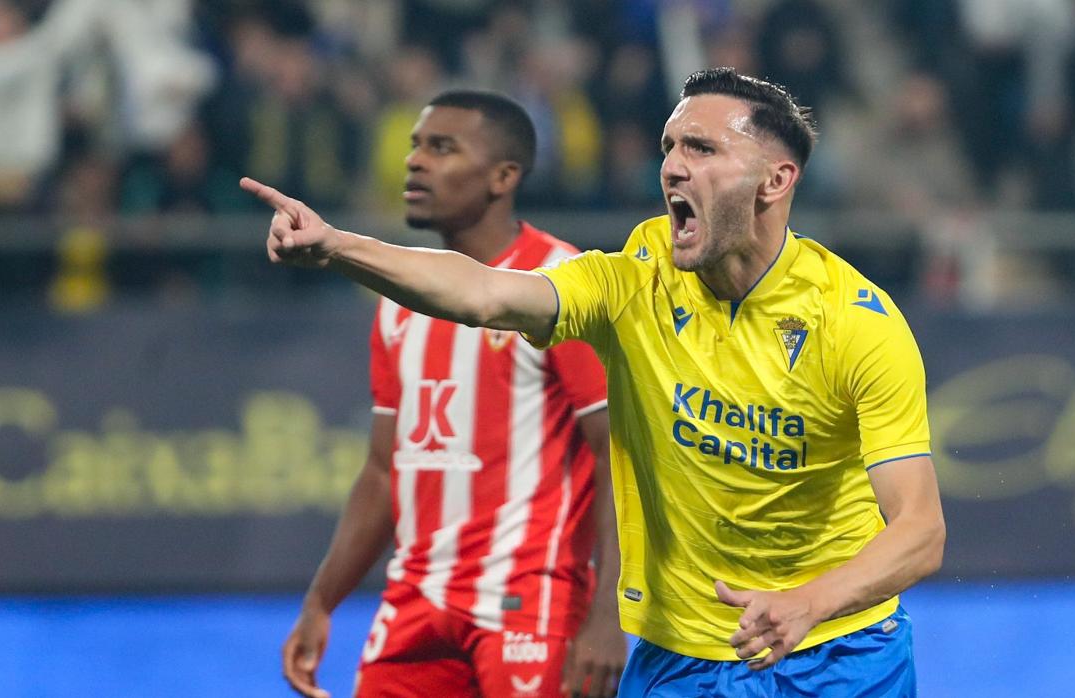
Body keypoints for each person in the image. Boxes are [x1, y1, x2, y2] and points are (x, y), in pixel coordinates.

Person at [248, 68, 945, 697]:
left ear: (775, 181)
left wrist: (809, 602)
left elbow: (919, 530)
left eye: (701, 149)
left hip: (838, 655)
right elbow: (485, 293)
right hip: (681, 659)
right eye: (670, 146)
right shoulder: (634, 280)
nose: (672, 167)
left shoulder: (856, 323)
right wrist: (339, 246)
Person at [278, 90, 627, 698]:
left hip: (527, 602)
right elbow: (385, 471)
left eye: (442, 148)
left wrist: (609, 614)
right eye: (415, 145)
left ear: (503, 176)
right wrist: (321, 601)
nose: (415, 161)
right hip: (415, 601)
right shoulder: (396, 302)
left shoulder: (561, 286)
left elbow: (617, 456)